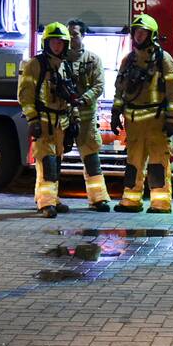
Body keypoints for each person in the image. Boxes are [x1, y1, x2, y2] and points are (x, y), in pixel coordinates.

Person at [111, 13, 173, 213]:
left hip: (156, 120)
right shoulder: (128, 60)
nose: (139, 36)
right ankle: (131, 200)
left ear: (152, 35)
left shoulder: (163, 59)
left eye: (144, 32)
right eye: (137, 32)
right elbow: (120, 89)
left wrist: (172, 118)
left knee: (158, 162)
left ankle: (160, 203)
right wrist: (116, 111)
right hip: (133, 122)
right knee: (133, 162)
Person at [19, 23, 79, 218]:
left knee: (56, 162)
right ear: (46, 43)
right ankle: (46, 203)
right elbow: (25, 95)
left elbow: (71, 95)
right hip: (44, 122)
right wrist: (32, 120)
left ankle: (51, 198)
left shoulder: (64, 66)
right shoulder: (35, 64)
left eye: (61, 42)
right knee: (47, 163)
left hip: (60, 123)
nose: (57, 46)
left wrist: (74, 119)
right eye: (53, 42)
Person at [64, 18, 111, 211]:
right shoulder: (58, 60)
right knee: (52, 158)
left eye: (75, 34)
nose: (71, 38)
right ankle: (48, 199)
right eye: (68, 34)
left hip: (86, 119)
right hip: (62, 117)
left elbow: (99, 85)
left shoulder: (93, 60)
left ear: (83, 36)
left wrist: (84, 99)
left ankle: (98, 198)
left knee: (91, 158)